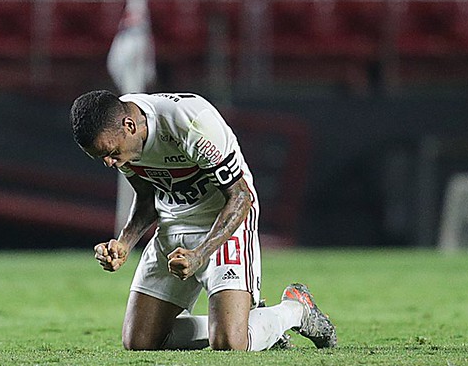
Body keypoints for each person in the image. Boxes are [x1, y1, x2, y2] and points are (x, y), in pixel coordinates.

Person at [70, 90, 337, 351]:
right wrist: (125, 242)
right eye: (100, 157)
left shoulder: (190, 123)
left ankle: (295, 309)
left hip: (223, 218)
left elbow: (240, 197)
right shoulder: (119, 133)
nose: (109, 162)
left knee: (230, 344)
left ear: (130, 126)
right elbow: (147, 195)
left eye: (111, 152)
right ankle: (255, 325)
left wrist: (200, 255)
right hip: (173, 222)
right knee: (139, 342)